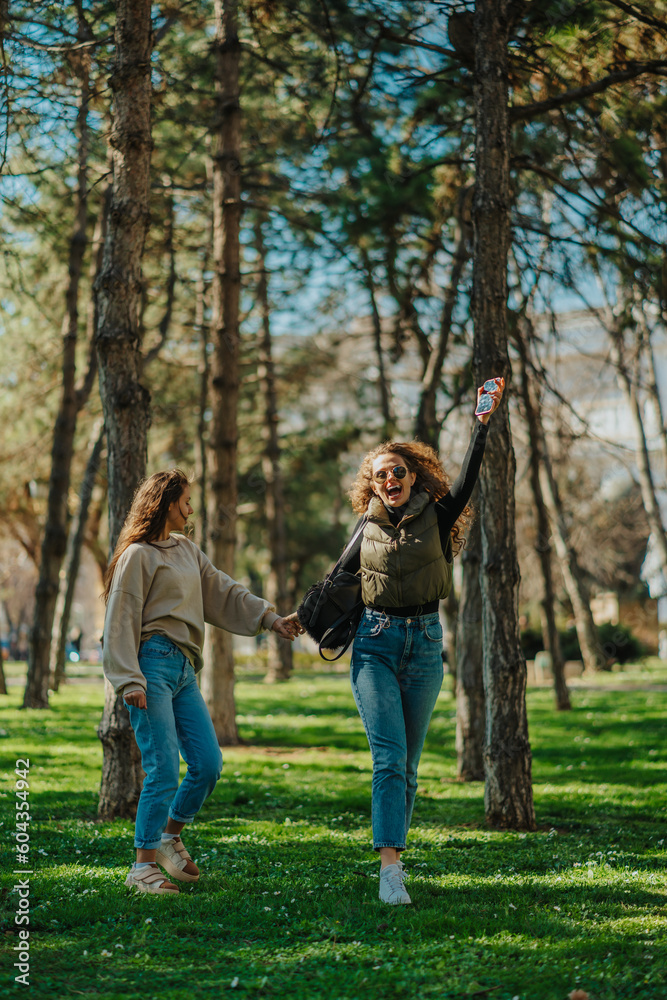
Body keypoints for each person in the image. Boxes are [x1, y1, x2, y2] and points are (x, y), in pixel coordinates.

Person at [340, 378, 505, 905]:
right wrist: (294, 619)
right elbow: (337, 582)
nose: (390, 478)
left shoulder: (438, 515)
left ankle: (396, 855)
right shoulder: (365, 528)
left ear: (414, 477)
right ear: (373, 484)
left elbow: (471, 478)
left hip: (426, 644)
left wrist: (481, 425)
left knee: (408, 768)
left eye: (398, 471)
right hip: (375, 644)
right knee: (388, 760)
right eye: (380, 474)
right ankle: (390, 870)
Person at [102, 469, 300, 895]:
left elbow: (224, 592)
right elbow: (120, 617)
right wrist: (127, 679)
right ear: (166, 502)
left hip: (185, 671)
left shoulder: (187, 551)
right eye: (186, 500)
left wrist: (271, 620)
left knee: (209, 764)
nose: (191, 509)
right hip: (150, 665)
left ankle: (169, 835)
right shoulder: (138, 555)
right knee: (162, 770)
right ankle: (142, 867)